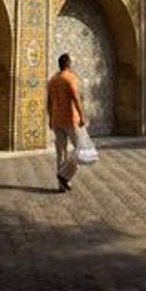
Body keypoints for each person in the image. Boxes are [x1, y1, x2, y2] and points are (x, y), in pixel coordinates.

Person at [46, 52, 86, 192]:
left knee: (60, 152)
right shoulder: (70, 78)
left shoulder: (52, 80)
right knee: (81, 149)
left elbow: (49, 102)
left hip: (57, 120)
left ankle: (61, 185)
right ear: (68, 64)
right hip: (71, 119)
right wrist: (82, 116)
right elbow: (76, 98)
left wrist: (50, 118)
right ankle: (64, 175)